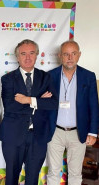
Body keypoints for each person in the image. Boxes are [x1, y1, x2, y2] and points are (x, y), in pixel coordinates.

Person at [0, 39, 58, 185]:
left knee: (32, 179)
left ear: (37, 55)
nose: (27, 57)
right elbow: (10, 106)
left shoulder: (46, 77)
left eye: (31, 53)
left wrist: (28, 100)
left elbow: (53, 103)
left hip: (37, 137)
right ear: (17, 57)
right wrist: (38, 101)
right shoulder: (7, 79)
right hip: (13, 136)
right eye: (23, 54)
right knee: (12, 177)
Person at [47, 40, 99, 185]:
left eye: (73, 53)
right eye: (66, 54)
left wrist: (93, 132)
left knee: (75, 173)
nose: (70, 57)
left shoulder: (88, 76)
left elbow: (94, 105)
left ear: (79, 55)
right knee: (53, 172)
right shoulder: (50, 76)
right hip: (55, 132)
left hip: (78, 132)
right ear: (60, 56)